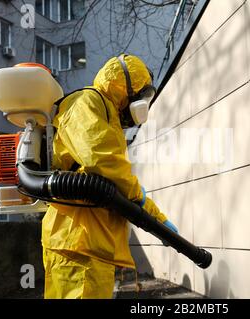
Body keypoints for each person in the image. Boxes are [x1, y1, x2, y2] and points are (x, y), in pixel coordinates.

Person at [41, 54, 178, 299]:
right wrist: (148, 210)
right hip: (77, 241)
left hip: (91, 244)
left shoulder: (108, 114)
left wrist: (156, 218)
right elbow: (103, 161)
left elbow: (113, 174)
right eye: (142, 96)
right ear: (126, 90)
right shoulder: (86, 101)